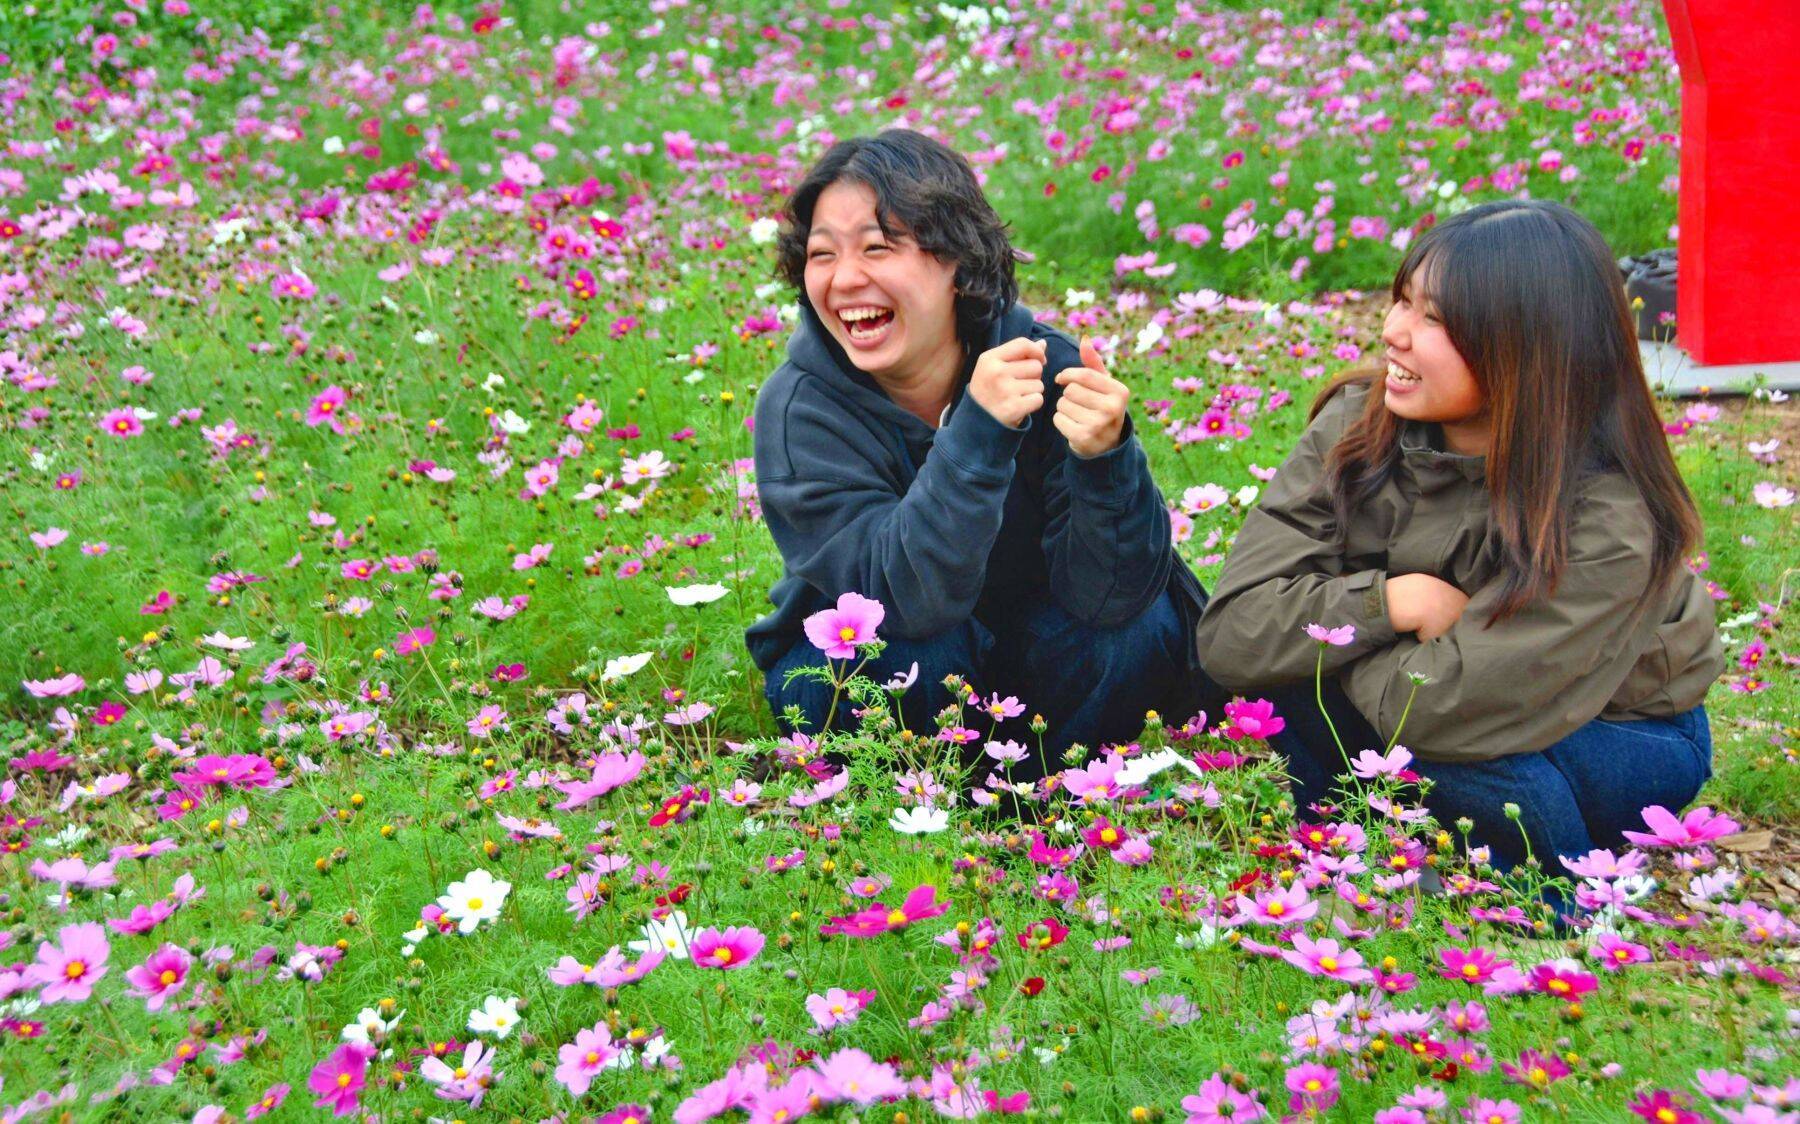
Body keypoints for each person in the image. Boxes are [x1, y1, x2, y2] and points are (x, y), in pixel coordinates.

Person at [1193, 198, 1725, 874]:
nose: (1393, 331)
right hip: (1443, 702)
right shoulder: (1359, 426)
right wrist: (1391, 603)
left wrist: (1331, 637)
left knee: (1459, 755)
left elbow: (1440, 709)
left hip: (1617, 735)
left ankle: (1547, 893)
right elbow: (1231, 634)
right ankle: (1371, 850)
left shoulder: (1609, 513)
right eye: (1402, 301)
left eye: (1435, 318)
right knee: (1296, 678)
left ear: (1527, 349)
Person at [743, 129, 1215, 772]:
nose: (845, 279)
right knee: (904, 661)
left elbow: (1111, 597)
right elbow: (903, 601)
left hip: (1038, 660)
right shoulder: (802, 409)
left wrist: (1107, 460)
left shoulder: (1047, 367)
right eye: (822, 254)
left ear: (958, 263)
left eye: (878, 247)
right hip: (897, 664)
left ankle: (1051, 789)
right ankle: (945, 796)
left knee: (1139, 629)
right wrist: (977, 431)